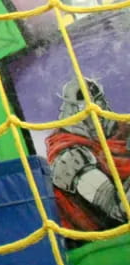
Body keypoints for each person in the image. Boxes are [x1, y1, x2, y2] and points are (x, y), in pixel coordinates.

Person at [46, 76, 130, 237]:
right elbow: (119, 209)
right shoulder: (69, 155)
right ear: (73, 111)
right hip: (103, 240)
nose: (96, 116)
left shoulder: (121, 129)